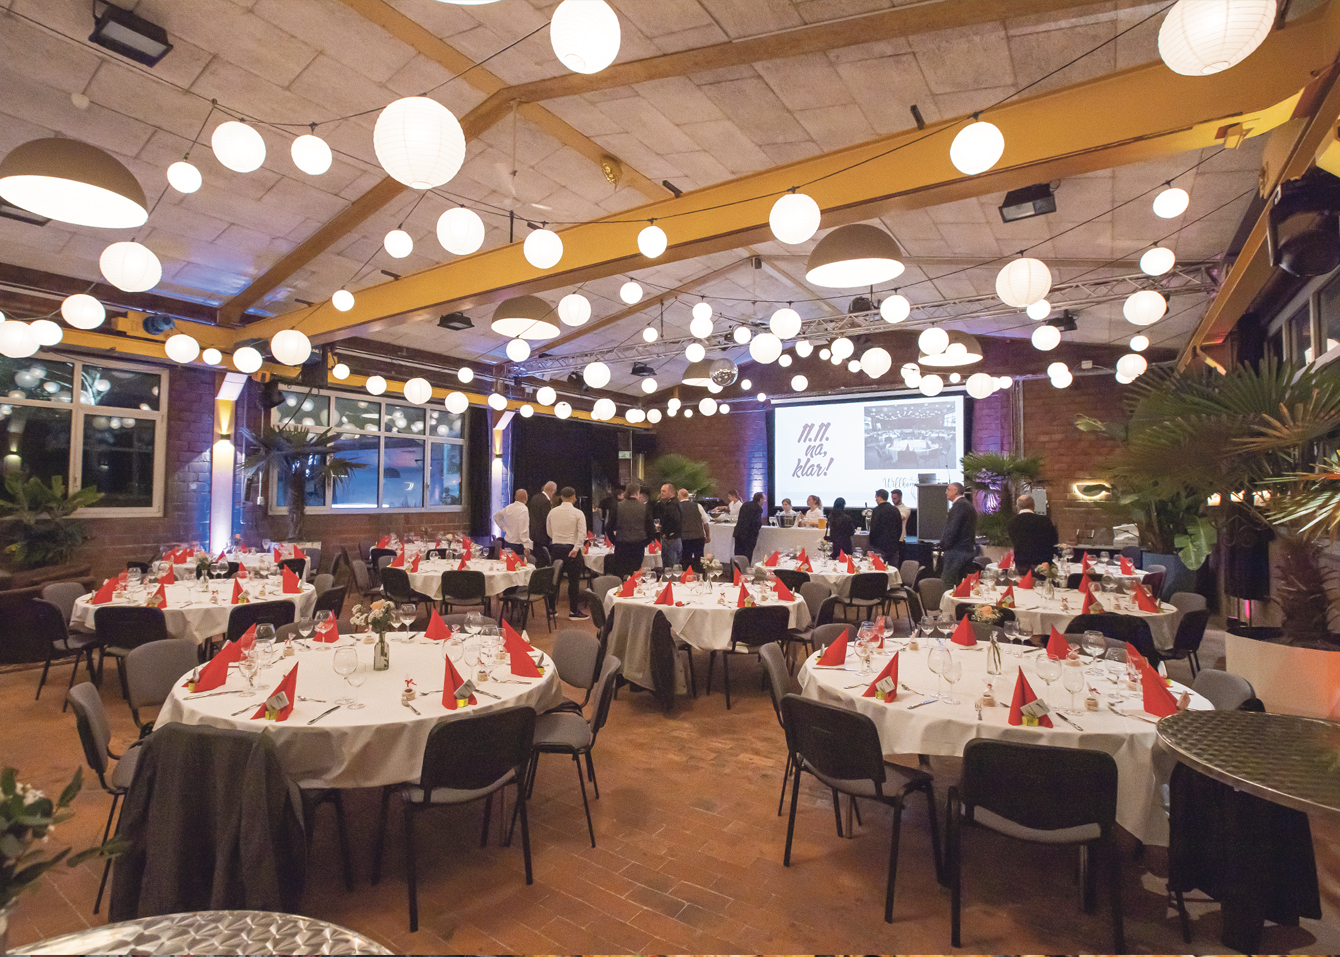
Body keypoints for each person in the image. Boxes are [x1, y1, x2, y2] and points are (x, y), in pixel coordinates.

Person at [546, 486, 588, 620]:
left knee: (554, 580)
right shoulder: (578, 513)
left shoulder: (552, 512)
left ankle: (551, 610)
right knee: (573, 581)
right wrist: (576, 549)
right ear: (574, 497)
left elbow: (549, 531)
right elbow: (582, 534)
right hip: (572, 548)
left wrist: (557, 538)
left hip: (556, 548)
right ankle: (573, 611)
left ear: (561, 497)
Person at [1007, 494, 1058, 572]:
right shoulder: (1045, 521)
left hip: (1021, 565)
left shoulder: (1012, 522)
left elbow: (1014, 541)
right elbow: (1054, 542)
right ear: (1033, 506)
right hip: (1043, 565)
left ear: (1018, 507)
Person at [940, 482, 978, 587]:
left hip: (956, 551)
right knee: (962, 583)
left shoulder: (960, 506)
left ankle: (948, 598)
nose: (946, 492)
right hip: (966, 550)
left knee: (948, 581)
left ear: (955, 491)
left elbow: (953, 528)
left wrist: (944, 545)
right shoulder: (967, 505)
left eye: (948, 489)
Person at [612, 481, 654, 568]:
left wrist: (614, 541)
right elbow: (651, 529)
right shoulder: (644, 508)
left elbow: (609, 526)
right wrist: (645, 542)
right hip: (638, 545)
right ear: (637, 492)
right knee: (636, 571)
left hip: (621, 544)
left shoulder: (617, 506)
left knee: (622, 571)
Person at [678, 488, 711, 571]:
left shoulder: (677, 507)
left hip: (684, 538)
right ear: (688, 496)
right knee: (699, 561)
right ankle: (700, 576)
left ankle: (687, 576)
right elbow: (706, 522)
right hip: (698, 537)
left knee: (686, 562)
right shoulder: (698, 506)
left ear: (679, 497)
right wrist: (707, 536)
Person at [492, 489, 531, 558]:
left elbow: (496, 517)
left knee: (507, 563)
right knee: (517, 564)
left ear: (515, 497)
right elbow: (523, 529)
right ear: (526, 498)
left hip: (507, 543)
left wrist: (504, 528)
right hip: (518, 545)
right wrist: (526, 545)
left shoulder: (508, 508)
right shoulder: (524, 509)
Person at [867, 488, 903, 560]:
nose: (875, 500)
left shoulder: (877, 510)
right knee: (892, 566)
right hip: (893, 546)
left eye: (876, 498)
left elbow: (874, 528)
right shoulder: (895, 510)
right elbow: (899, 528)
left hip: (879, 546)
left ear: (879, 498)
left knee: (878, 566)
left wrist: (871, 543)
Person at [654, 482, 682, 570]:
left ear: (671, 492)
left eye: (664, 491)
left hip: (671, 540)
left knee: (670, 567)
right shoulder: (676, 503)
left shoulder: (672, 506)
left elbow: (675, 520)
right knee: (673, 565)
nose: (661, 493)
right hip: (675, 539)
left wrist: (668, 533)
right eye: (661, 491)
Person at [735, 491, 764, 564]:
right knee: (747, 556)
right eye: (764, 499)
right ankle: (745, 569)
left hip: (738, 533)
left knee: (738, 554)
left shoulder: (745, 504)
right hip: (749, 536)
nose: (764, 501)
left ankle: (737, 569)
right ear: (760, 499)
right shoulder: (758, 508)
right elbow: (756, 524)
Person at [528, 481, 556, 555]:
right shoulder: (546, 502)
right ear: (552, 491)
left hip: (532, 535)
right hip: (542, 537)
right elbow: (546, 520)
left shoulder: (534, 498)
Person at [890, 488, 912, 566]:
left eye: (895, 498)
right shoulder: (891, 509)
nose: (893, 500)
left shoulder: (906, 509)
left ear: (900, 497)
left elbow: (900, 517)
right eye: (892, 498)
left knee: (899, 561)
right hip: (891, 538)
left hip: (900, 538)